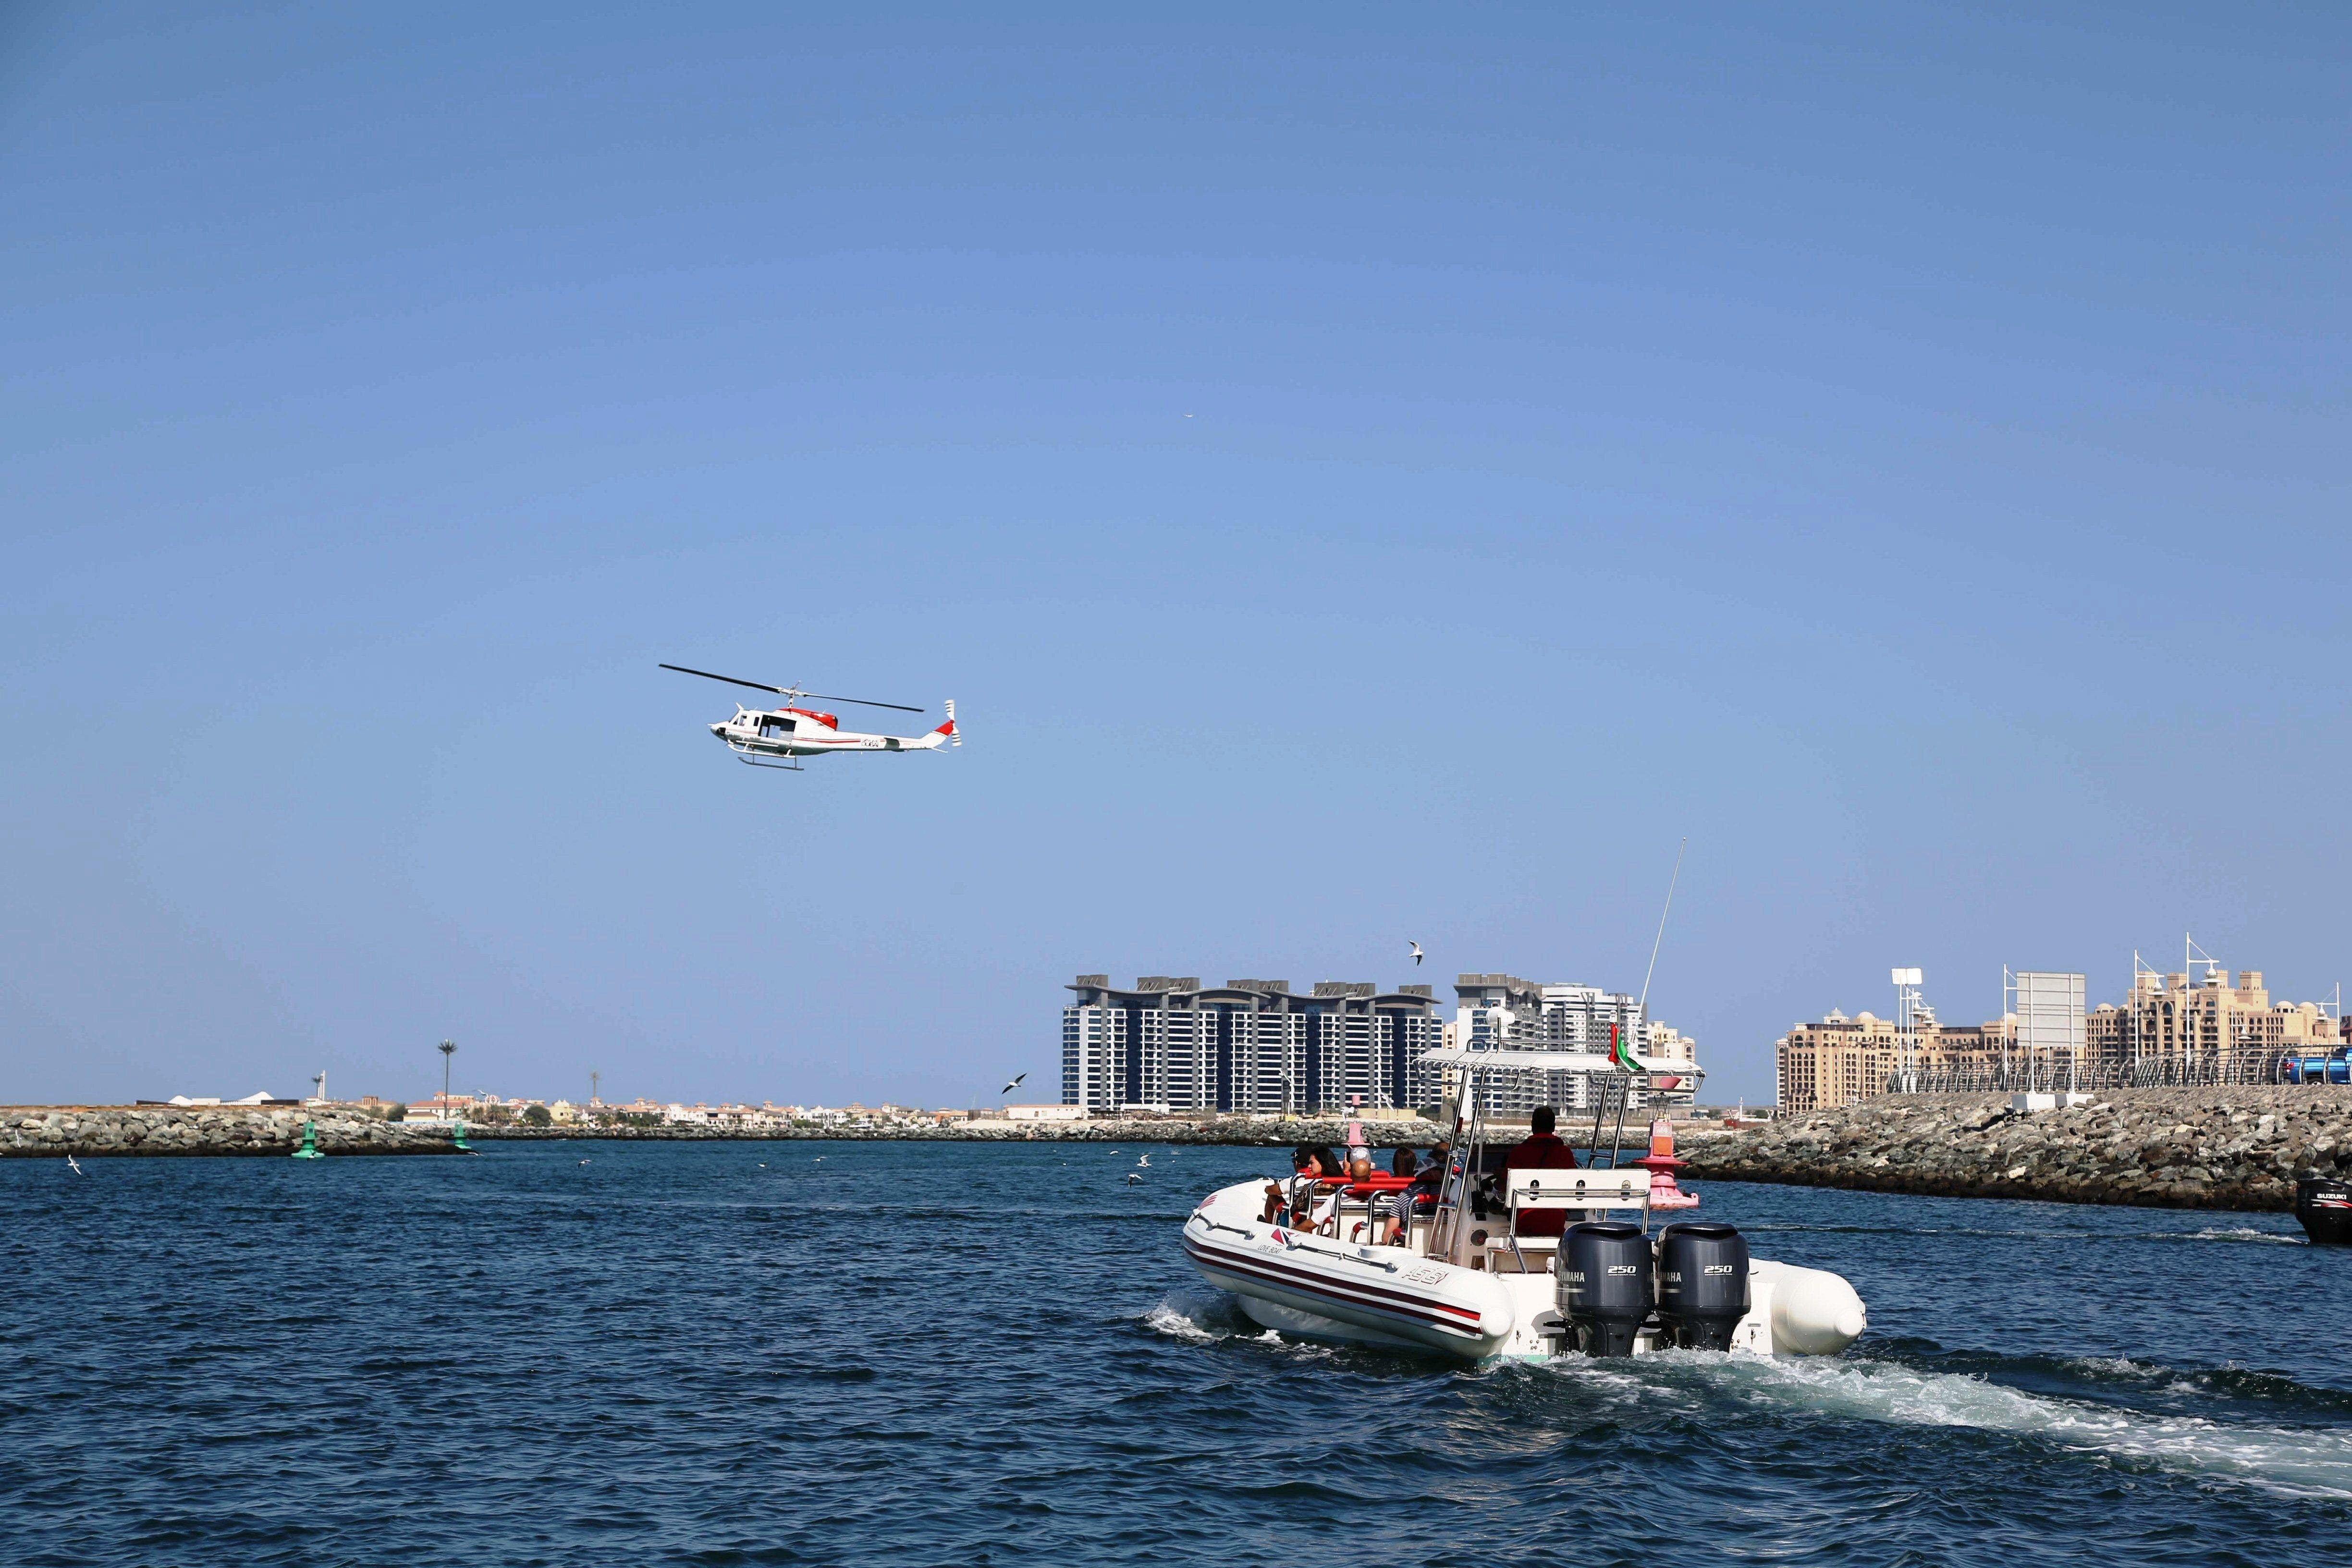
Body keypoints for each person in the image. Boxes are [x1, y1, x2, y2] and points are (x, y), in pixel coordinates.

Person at [1502, 1106, 1580, 1238]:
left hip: (1525, 1222)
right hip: (1556, 1221)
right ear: (1553, 1127)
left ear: (1533, 1126)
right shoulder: (1565, 1153)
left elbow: (1505, 1186)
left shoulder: (1519, 1153)